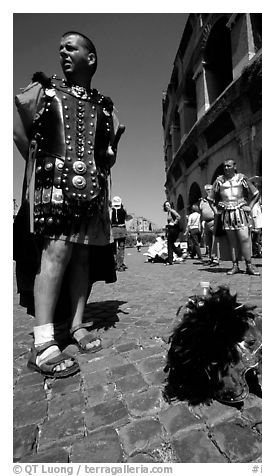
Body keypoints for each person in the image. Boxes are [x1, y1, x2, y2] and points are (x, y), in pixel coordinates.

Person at [13, 31, 121, 378]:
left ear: (91, 58)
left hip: (93, 191)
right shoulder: (42, 90)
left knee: (83, 257)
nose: (62, 51)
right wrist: (41, 167)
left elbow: (108, 156)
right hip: (54, 187)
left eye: (71, 47)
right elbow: (17, 129)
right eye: (60, 47)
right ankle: (43, 343)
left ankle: (76, 325)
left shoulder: (106, 107)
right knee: (56, 254)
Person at [211, 159, 260, 275]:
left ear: (234, 166)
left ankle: (249, 265)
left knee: (244, 238)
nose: (226, 168)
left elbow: (256, 193)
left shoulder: (242, 178)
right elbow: (210, 198)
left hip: (240, 210)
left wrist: (250, 206)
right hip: (227, 213)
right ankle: (235, 265)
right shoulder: (219, 180)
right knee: (232, 241)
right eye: (225, 166)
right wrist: (216, 211)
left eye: (229, 166)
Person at [199, 184, 219, 265]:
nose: (208, 191)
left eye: (209, 189)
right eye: (206, 190)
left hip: (213, 221)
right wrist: (201, 224)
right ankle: (211, 258)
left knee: (215, 241)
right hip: (206, 223)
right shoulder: (202, 201)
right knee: (208, 242)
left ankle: (215, 259)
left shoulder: (215, 200)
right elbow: (201, 212)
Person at [163, 201, 184, 265]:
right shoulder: (169, 212)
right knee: (171, 244)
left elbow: (178, 216)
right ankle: (179, 253)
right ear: (165, 207)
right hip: (171, 229)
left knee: (170, 244)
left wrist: (174, 223)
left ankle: (171, 260)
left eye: (168, 205)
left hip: (174, 229)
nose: (168, 206)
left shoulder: (172, 211)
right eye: (166, 205)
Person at [111, 196, 128, 271]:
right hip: (122, 229)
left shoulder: (111, 210)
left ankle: (114, 264)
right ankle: (120, 265)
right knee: (121, 248)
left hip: (113, 229)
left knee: (113, 248)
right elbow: (126, 218)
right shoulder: (123, 210)